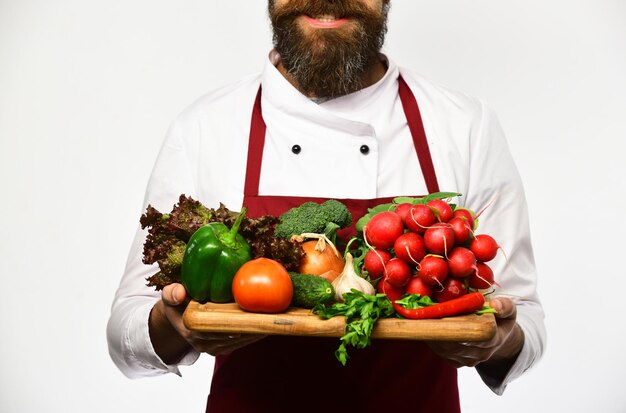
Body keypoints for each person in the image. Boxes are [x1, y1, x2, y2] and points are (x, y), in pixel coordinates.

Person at [107, 0, 546, 411]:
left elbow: (524, 318)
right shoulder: (205, 126)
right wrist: (172, 326)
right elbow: (125, 332)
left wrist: (498, 342)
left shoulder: (464, 125)